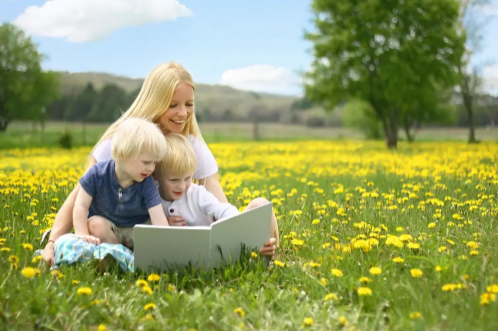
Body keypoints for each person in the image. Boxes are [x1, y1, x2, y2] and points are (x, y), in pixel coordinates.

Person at [41, 62, 278, 265]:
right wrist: (52, 242)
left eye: (189, 104)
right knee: (98, 228)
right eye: (173, 105)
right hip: (130, 234)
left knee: (260, 205)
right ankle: (114, 258)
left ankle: (268, 252)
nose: (183, 113)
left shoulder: (193, 146)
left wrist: (239, 233)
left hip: (179, 233)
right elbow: (77, 199)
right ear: (154, 102)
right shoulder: (121, 144)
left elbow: (218, 202)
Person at [73, 118, 170, 250]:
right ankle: (118, 255)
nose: (151, 169)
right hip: (109, 233)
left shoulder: (147, 183)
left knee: (153, 232)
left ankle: (129, 257)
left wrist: (166, 243)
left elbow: (159, 220)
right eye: (146, 162)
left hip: (136, 232)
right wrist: (82, 235)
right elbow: (81, 205)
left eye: (154, 163)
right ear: (122, 155)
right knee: (95, 225)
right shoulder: (97, 174)